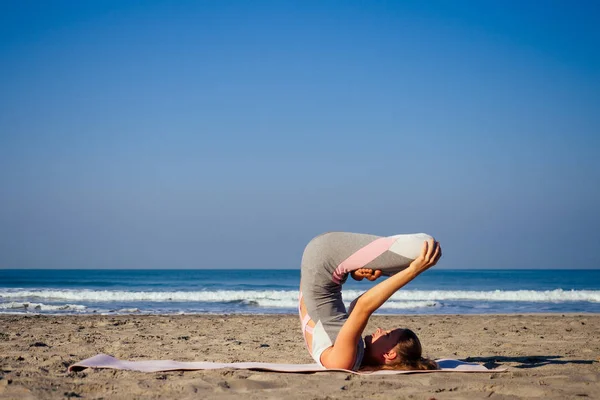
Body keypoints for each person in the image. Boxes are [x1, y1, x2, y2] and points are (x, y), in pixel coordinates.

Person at [298, 232, 441, 371]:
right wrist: (354, 271)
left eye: (387, 334)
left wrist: (413, 272)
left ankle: (371, 267)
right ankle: (363, 267)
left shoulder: (343, 362)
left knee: (427, 246)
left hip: (324, 257)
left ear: (389, 354)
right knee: (426, 252)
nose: (380, 330)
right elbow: (355, 306)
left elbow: (363, 306)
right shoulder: (355, 355)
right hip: (327, 270)